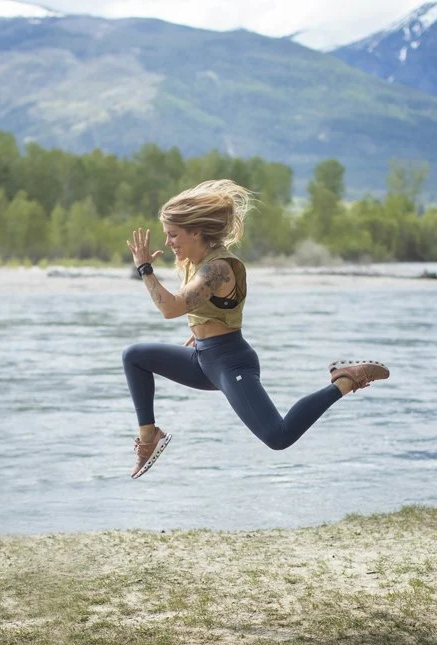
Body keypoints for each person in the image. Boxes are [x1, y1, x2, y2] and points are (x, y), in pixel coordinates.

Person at [122, 179, 389, 479]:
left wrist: (144, 269)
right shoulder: (197, 263)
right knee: (134, 356)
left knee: (278, 436)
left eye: (173, 235)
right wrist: (201, 329)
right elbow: (211, 309)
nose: (169, 242)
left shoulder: (218, 268)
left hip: (230, 362)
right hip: (203, 359)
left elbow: (170, 308)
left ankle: (345, 381)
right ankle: (149, 437)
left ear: (196, 231)